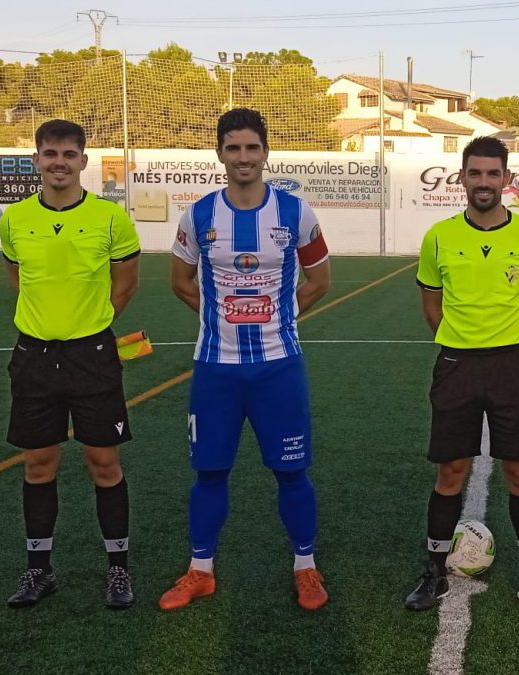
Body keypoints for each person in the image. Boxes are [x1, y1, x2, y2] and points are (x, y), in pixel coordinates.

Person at [160, 108, 333, 612]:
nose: (243, 157)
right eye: (233, 148)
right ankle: (200, 571)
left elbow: (320, 280)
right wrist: (221, 317)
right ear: (219, 154)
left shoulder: (296, 213)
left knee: (292, 472)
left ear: (265, 152)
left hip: (279, 367)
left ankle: (306, 567)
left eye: (251, 147)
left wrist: (278, 316)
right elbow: (180, 281)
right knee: (209, 472)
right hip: (215, 369)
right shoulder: (197, 215)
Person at [404, 136, 519, 616]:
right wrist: (464, 344)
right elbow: (433, 308)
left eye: (494, 174)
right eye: (476, 173)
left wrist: (515, 351)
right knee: (451, 471)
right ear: (463, 177)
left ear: (507, 180)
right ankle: (433, 574)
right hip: (456, 366)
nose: (484, 182)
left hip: (512, 366)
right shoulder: (439, 237)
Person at [0, 119, 141, 610]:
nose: (59, 161)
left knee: (104, 464)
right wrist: (50, 320)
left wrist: (88, 323)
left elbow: (125, 284)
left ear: (83, 160)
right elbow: (17, 276)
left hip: (92, 357)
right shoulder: (14, 219)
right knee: (38, 466)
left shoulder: (110, 218)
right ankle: (40, 570)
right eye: (49, 153)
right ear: (37, 159)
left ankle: (118, 571)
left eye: (68, 154)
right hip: (34, 357)